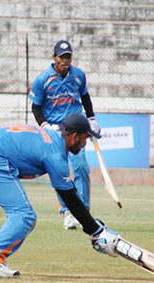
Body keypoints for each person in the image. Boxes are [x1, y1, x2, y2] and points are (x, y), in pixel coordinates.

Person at [0, 114, 121, 277]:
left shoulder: (51, 139)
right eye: (86, 138)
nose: (85, 143)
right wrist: (95, 231)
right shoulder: (55, 153)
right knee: (24, 215)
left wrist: (92, 227)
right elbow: (69, 196)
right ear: (75, 136)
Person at [28, 40, 101, 230]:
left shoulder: (78, 75)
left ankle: (83, 211)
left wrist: (92, 119)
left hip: (76, 128)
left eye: (68, 57)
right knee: (60, 171)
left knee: (81, 168)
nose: (65, 61)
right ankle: (68, 212)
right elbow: (35, 106)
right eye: (62, 57)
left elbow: (85, 97)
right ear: (54, 57)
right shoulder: (43, 79)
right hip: (55, 132)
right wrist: (44, 125)